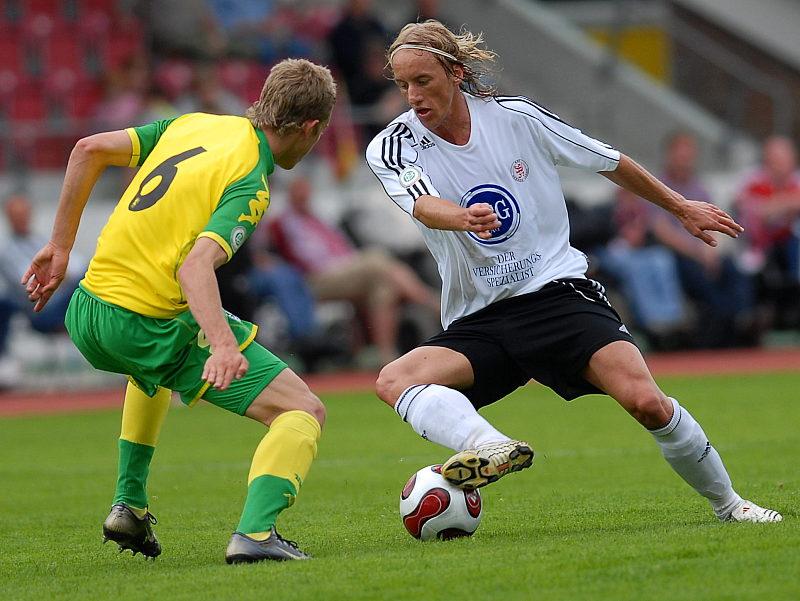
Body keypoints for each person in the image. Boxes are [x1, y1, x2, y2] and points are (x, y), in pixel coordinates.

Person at [365, 20, 782, 523]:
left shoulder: (516, 118)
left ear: (454, 73)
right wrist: (461, 216)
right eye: (402, 84)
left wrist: (679, 206)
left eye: (423, 81)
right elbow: (422, 204)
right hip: (482, 318)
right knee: (393, 380)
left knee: (647, 402)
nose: (412, 96)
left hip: (557, 295)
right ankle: (489, 445)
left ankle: (730, 506)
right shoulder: (392, 144)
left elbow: (608, 160)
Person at [22, 58, 337, 562]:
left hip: (85, 310)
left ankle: (129, 505)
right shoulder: (252, 181)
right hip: (143, 324)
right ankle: (255, 536)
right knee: (302, 410)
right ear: (310, 128)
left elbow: (88, 149)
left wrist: (60, 246)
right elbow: (196, 270)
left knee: (151, 369)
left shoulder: (194, 122)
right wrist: (222, 341)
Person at [267, 175, 441, 366]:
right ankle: (432, 304)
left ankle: (386, 356)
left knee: (384, 286)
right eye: (298, 191)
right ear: (290, 194)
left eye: (305, 190)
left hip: (345, 270)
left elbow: (343, 248)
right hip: (314, 278)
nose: (304, 195)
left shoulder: (319, 220)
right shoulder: (282, 222)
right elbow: (269, 252)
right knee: (376, 258)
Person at [648, 132, 756, 347]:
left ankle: (742, 320)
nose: (685, 160)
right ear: (669, 155)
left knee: (734, 272)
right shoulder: (658, 186)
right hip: (680, 254)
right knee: (702, 281)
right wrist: (697, 252)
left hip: (704, 250)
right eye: (681, 155)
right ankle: (720, 331)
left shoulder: (698, 186)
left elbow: (714, 219)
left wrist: (711, 250)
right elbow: (661, 229)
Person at [734, 135, 800, 329]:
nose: (778, 166)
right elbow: (756, 213)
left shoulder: (796, 180)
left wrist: (778, 204)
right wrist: (787, 204)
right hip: (758, 246)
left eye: (783, 160)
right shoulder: (753, 181)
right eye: (774, 160)